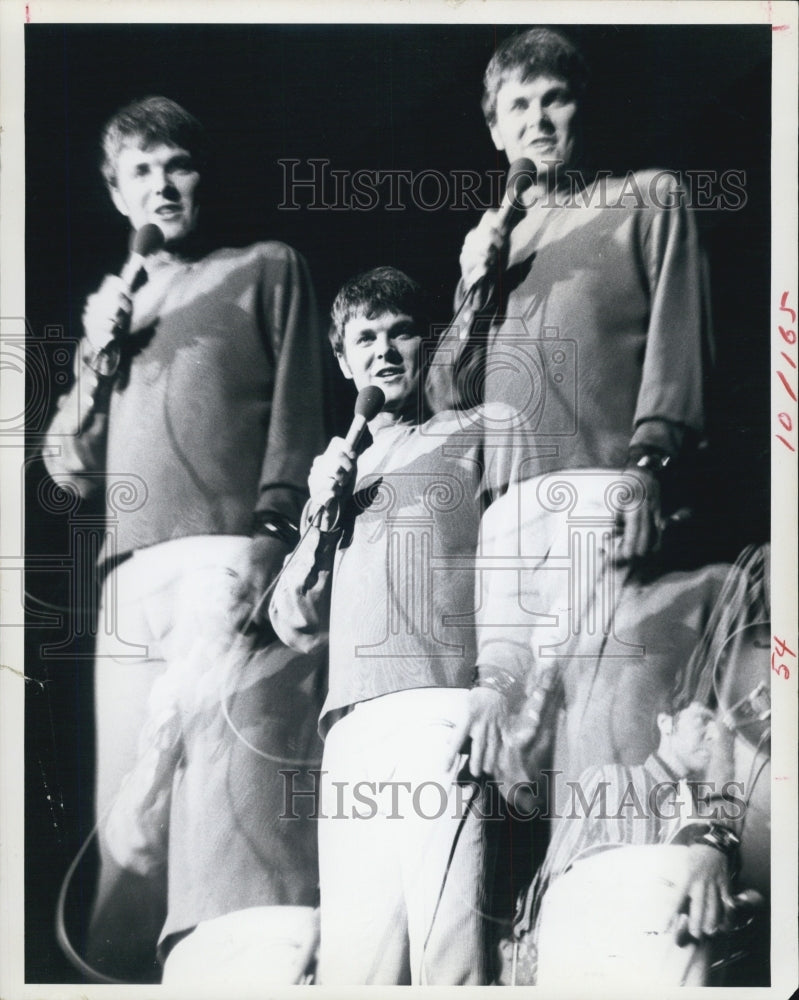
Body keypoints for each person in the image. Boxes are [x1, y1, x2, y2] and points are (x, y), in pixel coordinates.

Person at [42, 96, 326, 984]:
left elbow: (299, 411)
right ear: (117, 194)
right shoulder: (116, 313)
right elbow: (67, 468)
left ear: (201, 177)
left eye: (178, 165)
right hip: (128, 576)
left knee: (205, 793)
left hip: (224, 555)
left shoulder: (264, 267)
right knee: (124, 815)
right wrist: (94, 358)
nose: (162, 184)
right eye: (142, 170)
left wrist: (271, 536)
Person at [426, 24, 716, 782]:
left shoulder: (646, 198)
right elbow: (447, 395)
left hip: (598, 489)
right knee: (505, 755)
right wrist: (473, 287)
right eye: (518, 106)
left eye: (554, 99)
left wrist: (650, 465)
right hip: (504, 516)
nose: (539, 120)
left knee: (590, 717)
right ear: (496, 131)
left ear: (581, 108)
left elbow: (678, 340)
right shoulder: (497, 242)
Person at [269, 267, 525, 985]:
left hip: (440, 710)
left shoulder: (479, 430)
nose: (383, 351)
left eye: (400, 333)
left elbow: (520, 562)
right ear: (342, 361)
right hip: (351, 727)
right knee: (358, 971)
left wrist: (498, 684)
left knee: (450, 957)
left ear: (426, 345)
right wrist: (321, 516)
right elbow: (294, 621)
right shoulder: (336, 471)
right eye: (365, 338)